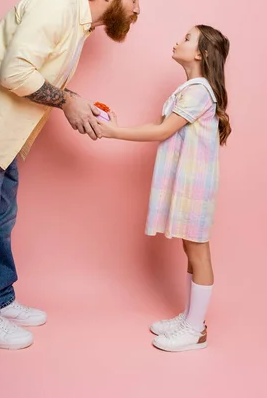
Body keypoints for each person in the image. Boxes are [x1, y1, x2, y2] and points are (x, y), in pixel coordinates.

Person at [0, 0, 143, 350]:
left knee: (1, 221)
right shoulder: (56, 7)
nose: (137, 9)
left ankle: (0, 299)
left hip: (4, 135)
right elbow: (14, 74)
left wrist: (78, 102)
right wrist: (67, 102)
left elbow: (42, 79)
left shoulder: (78, 26)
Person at [98, 25, 231, 352]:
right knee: (190, 249)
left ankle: (195, 328)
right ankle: (190, 317)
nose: (178, 40)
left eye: (187, 38)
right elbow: (160, 128)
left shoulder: (199, 90)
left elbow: (161, 132)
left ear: (200, 53)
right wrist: (117, 126)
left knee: (198, 251)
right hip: (185, 183)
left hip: (195, 185)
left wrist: (114, 134)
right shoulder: (189, 88)